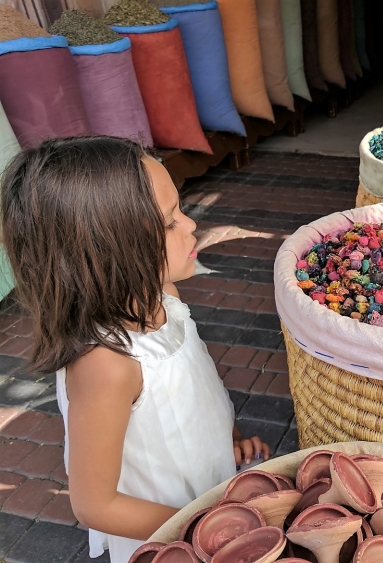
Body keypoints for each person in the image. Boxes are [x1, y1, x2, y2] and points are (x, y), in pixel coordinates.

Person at [1, 137, 271, 562]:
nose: (191, 225)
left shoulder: (164, 296)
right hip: (172, 533)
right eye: (169, 223)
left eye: (180, 210)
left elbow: (196, 387)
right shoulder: (106, 365)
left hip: (210, 501)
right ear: (108, 252)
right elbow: (94, 503)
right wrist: (202, 526)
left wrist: (229, 440)